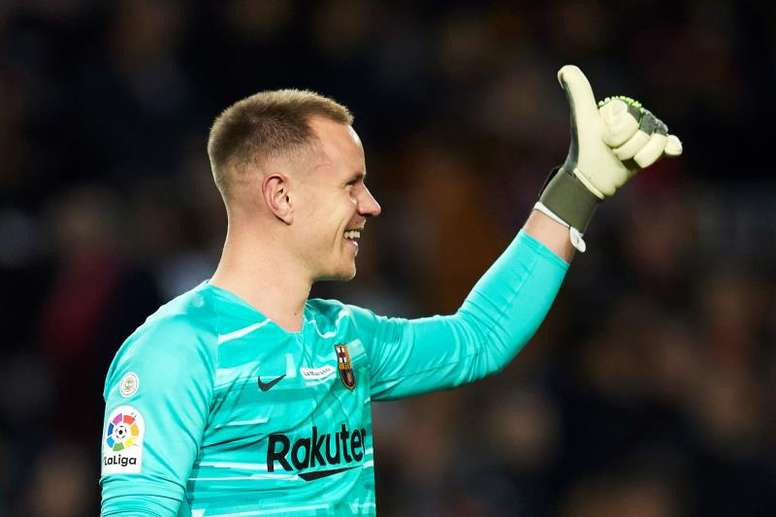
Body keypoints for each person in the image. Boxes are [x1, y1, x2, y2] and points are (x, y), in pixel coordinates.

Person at [99, 65, 682, 516]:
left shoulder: (347, 338)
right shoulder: (176, 350)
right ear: (281, 196)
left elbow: (479, 337)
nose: (372, 205)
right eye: (351, 184)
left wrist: (578, 188)